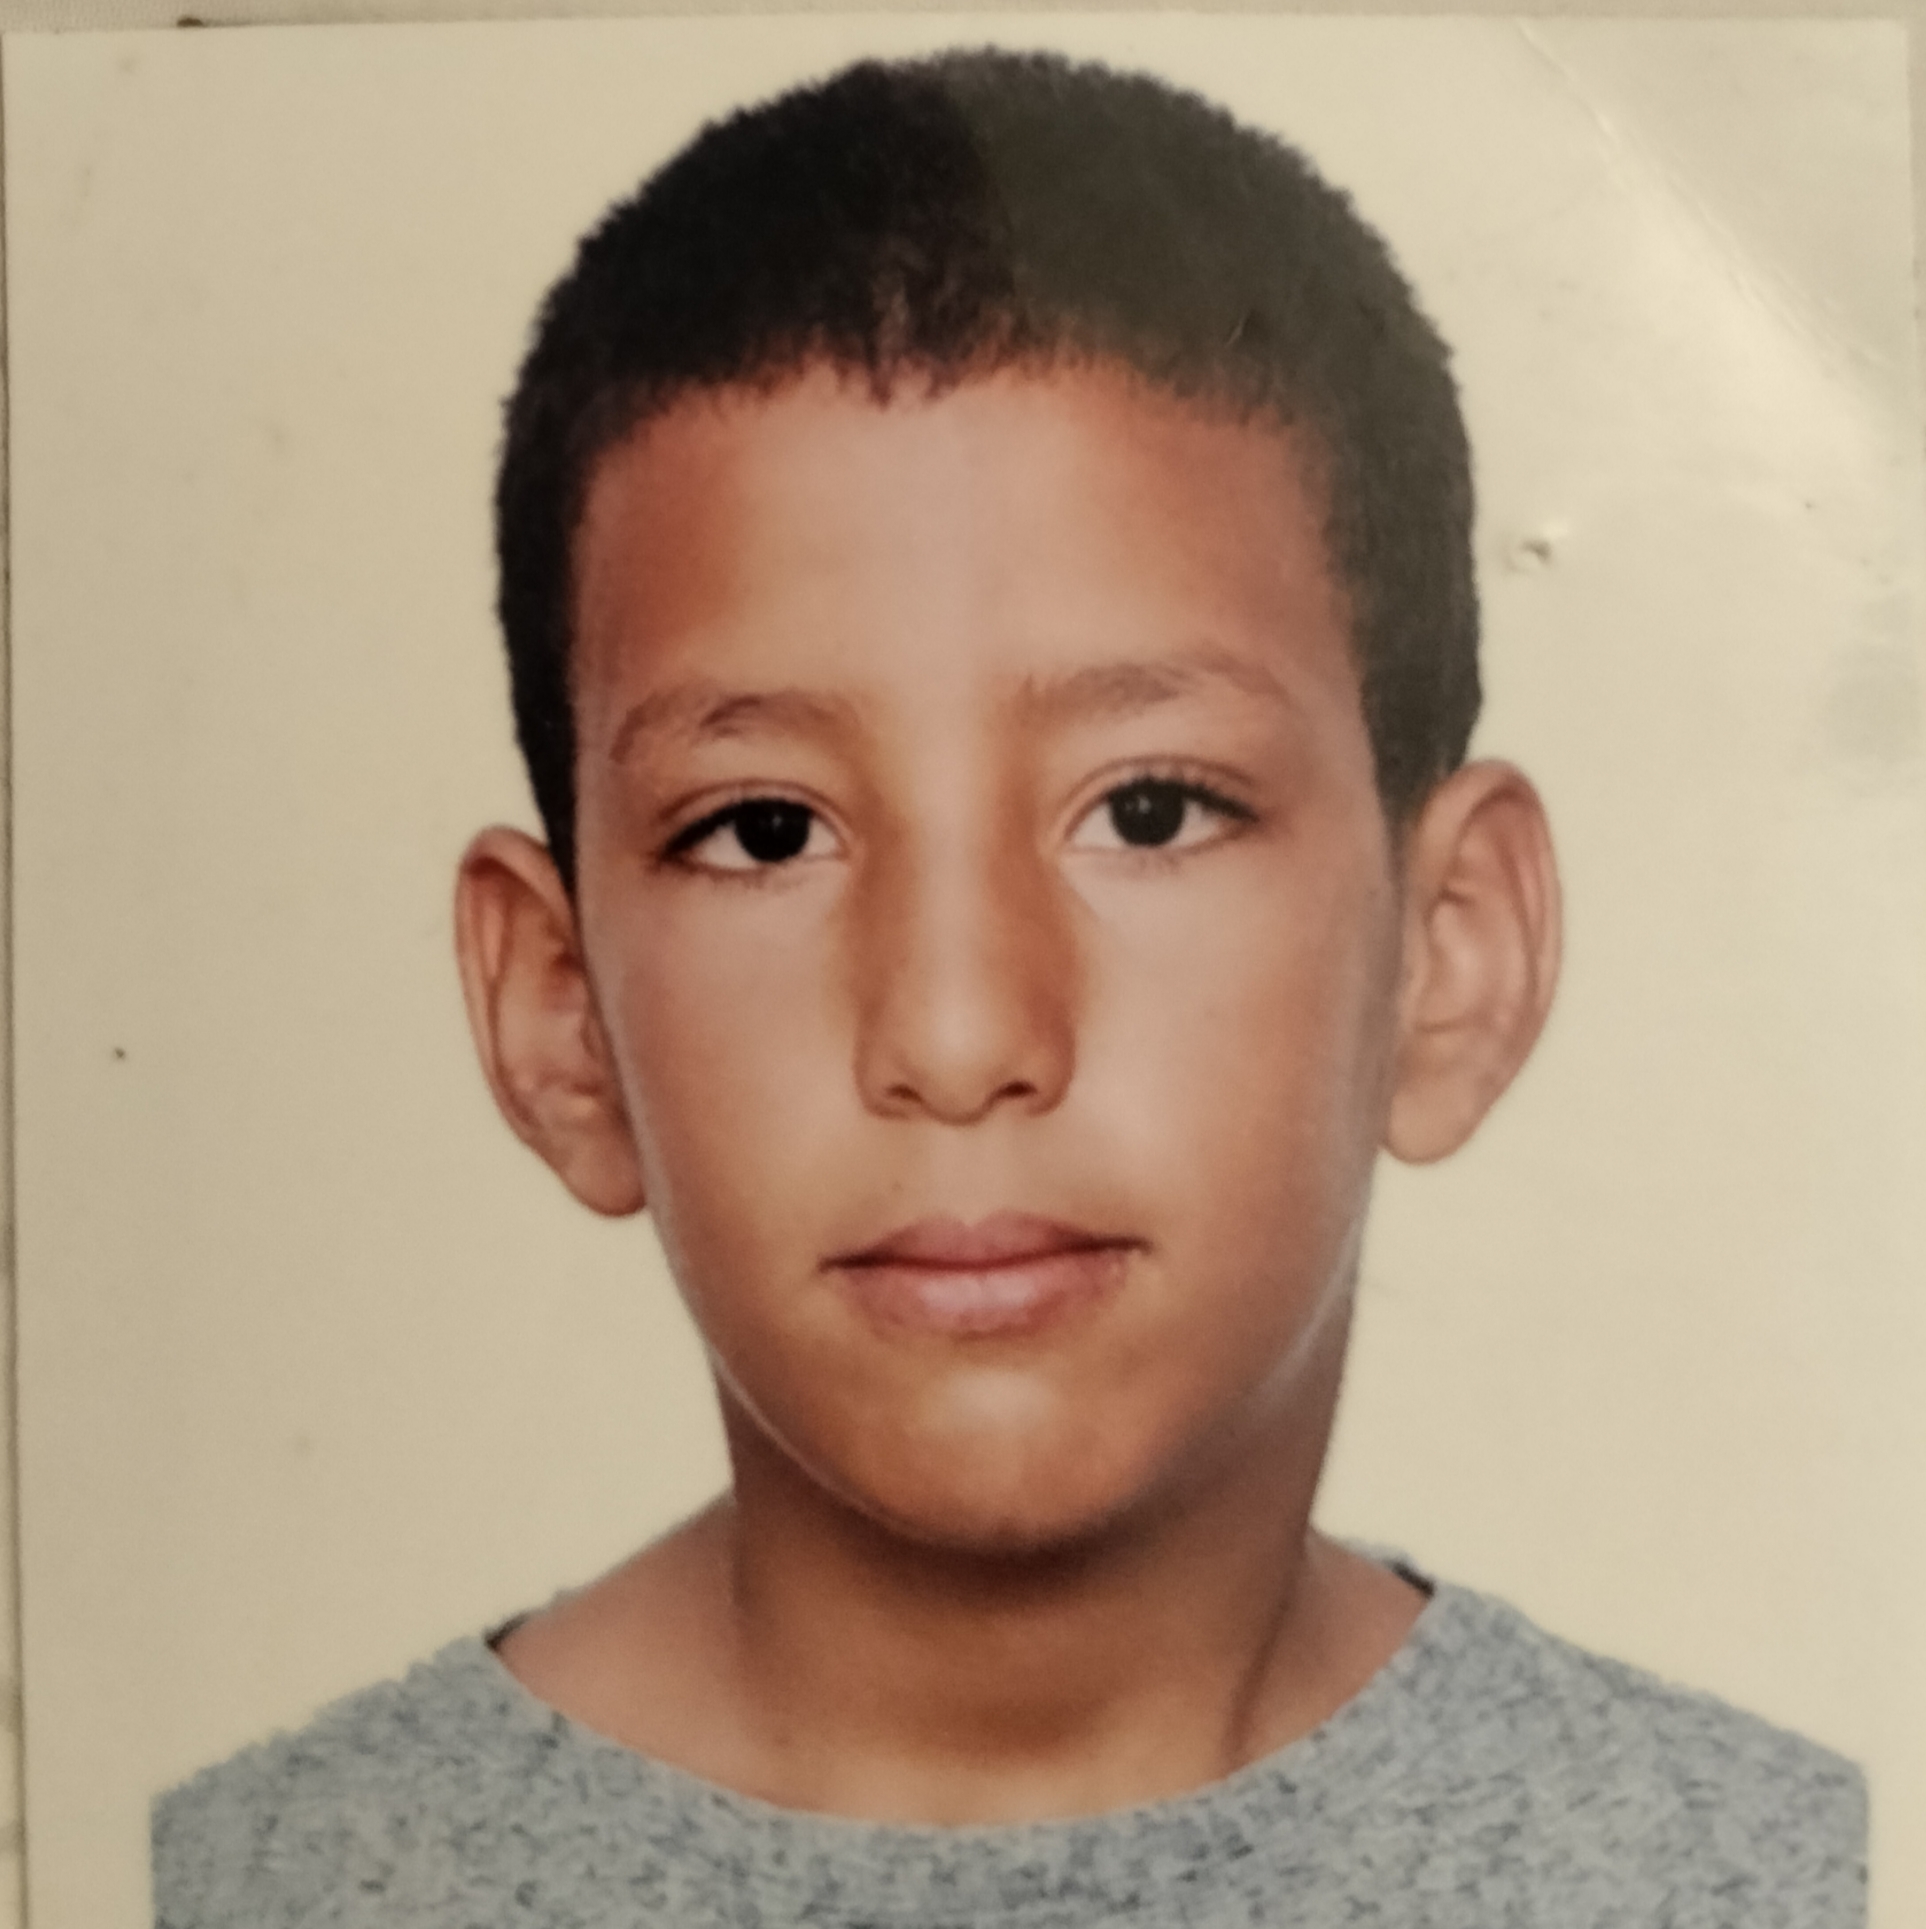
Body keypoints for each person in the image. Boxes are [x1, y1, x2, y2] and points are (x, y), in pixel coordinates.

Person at [152, 47, 1866, 1926]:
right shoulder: (227, 1888)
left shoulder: (1785, 1878)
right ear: (559, 1012)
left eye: (1148, 809)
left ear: (1448, 949)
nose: (959, 1037)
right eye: (765, 831)